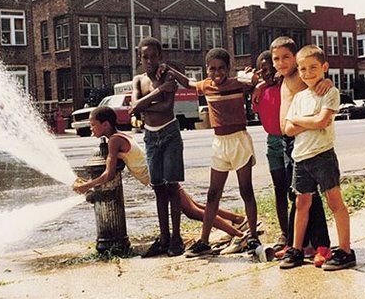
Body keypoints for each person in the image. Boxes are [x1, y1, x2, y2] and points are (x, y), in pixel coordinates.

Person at [72, 107, 247, 253]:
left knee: (192, 211)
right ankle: (239, 220)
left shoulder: (114, 141)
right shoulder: (120, 136)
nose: (91, 128)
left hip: (162, 179)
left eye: (93, 124)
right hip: (162, 175)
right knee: (196, 206)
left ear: (105, 124)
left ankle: (240, 237)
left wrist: (87, 185)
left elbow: (109, 174)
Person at [161, 48, 262, 258]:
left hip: (239, 141)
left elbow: (258, 81)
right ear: (207, 70)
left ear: (228, 68)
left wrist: (255, 80)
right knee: (212, 194)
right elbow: (188, 83)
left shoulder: (238, 83)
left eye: (221, 68)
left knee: (246, 190)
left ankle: (252, 236)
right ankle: (204, 241)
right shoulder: (206, 86)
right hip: (219, 143)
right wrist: (170, 70)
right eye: (212, 68)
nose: (217, 73)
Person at [253, 36, 332, 267]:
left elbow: (319, 79)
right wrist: (259, 84)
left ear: (295, 58)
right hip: (287, 142)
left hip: (303, 141)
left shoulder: (300, 75)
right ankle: (298, 242)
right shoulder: (282, 76)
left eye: (286, 57)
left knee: (308, 195)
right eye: (276, 58)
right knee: (295, 193)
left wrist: (327, 83)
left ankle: (321, 245)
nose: (280, 62)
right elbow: (267, 78)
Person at [280, 45, 356, 271]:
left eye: (313, 67)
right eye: (302, 68)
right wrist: (309, 120)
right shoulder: (299, 97)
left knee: (335, 202)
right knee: (302, 203)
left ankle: (345, 251)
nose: (307, 73)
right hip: (301, 158)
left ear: (324, 67)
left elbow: (323, 121)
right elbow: (287, 128)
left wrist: (301, 121)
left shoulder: (329, 92)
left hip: (322, 155)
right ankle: (296, 249)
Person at [126, 37, 186, 257]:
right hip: (150, 138)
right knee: (158, 187)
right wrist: (158, 92)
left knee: (172, 186)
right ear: (140, 58)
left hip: (169, 133)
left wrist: (145, 104)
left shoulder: (168, 76)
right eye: (145, 57)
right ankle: (164, 237)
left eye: (153, 56)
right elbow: (134, 107)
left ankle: (176, 239)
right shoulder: (138, 80)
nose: (149, 60)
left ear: (160, 56)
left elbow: (167, 107)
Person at [251, 51, 289, 250]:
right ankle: (285, 232)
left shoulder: (286, 85)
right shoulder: (260, 92)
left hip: (290, 139)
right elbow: (256, 111)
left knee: (296, 189)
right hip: (273, 142)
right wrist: (258, 85)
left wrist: (264, 83)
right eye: (262, 70)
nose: (267, 73)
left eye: (269, 68)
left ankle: (303, 232)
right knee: (279, 189)